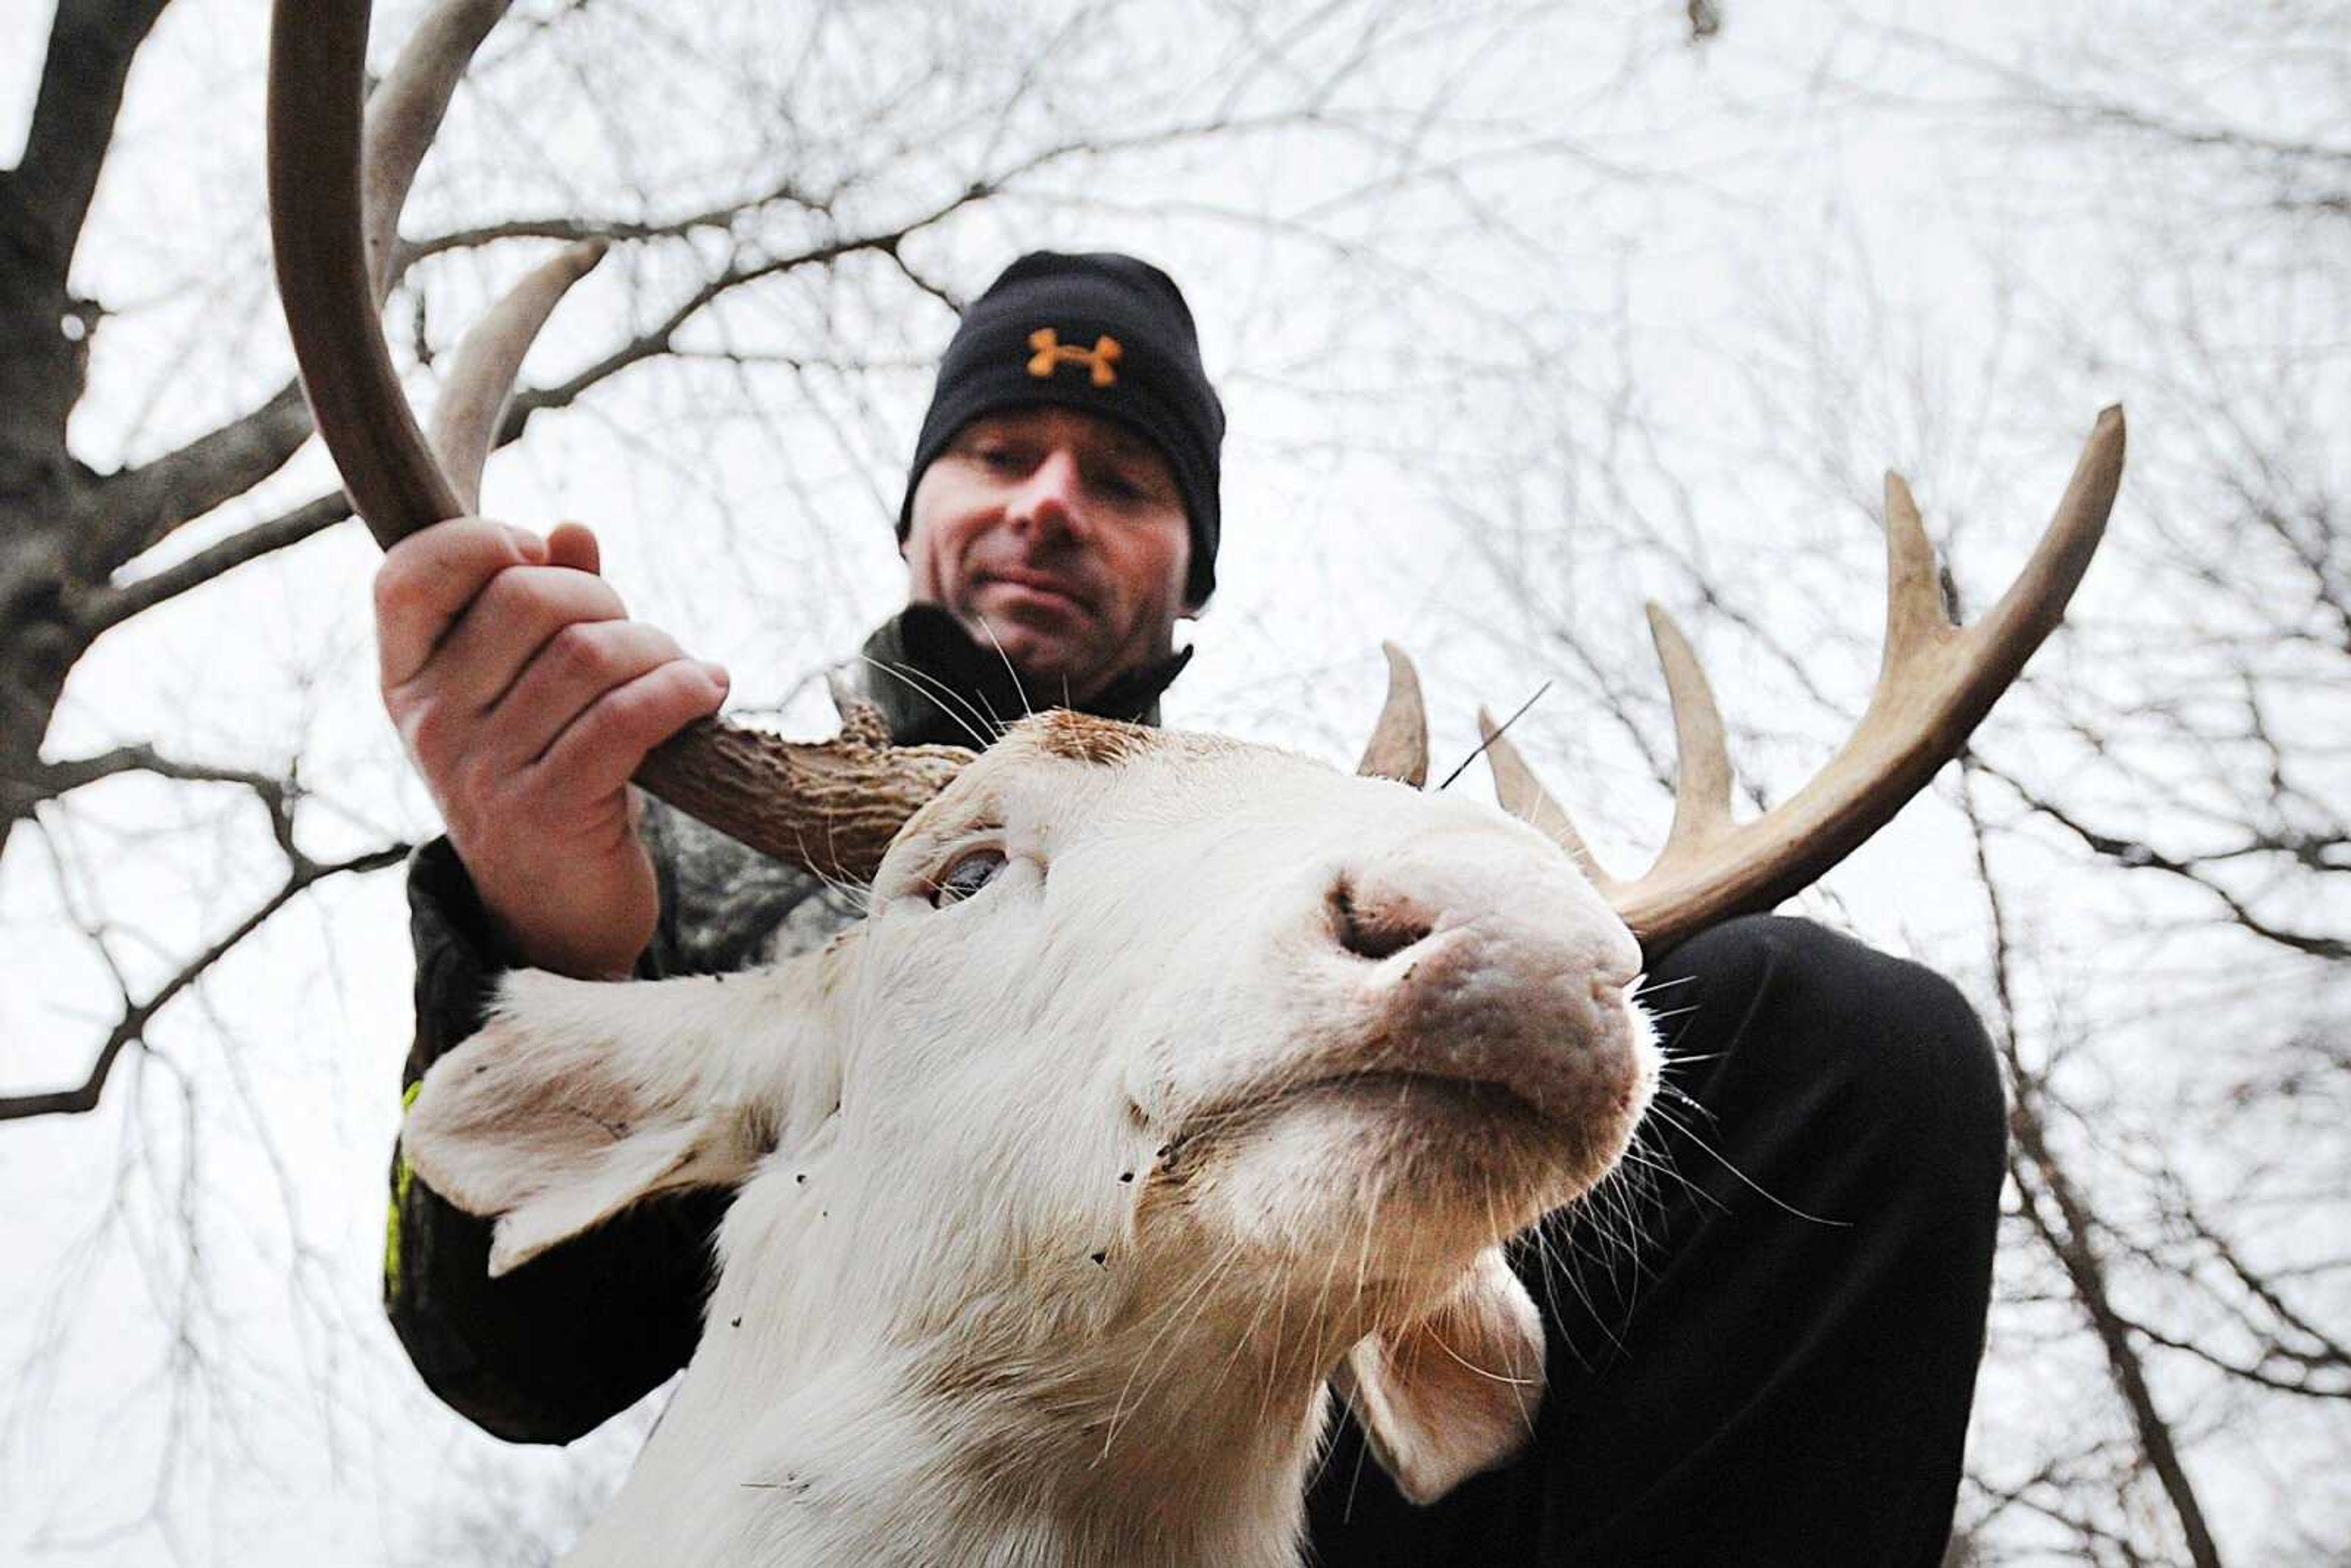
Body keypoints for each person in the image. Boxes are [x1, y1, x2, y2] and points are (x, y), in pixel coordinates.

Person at [378, 252, 2004, 1566]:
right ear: (920, 511)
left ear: (1187, 561)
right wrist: (544, 920)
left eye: (1125, 475)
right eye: (1003, 454)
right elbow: (509, 1363)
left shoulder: (1300, 846)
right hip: (859, 1470)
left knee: (1843, 1041)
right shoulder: (692, 855)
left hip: (1267, 1449)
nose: (1050, 501)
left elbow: (1462, 1418)